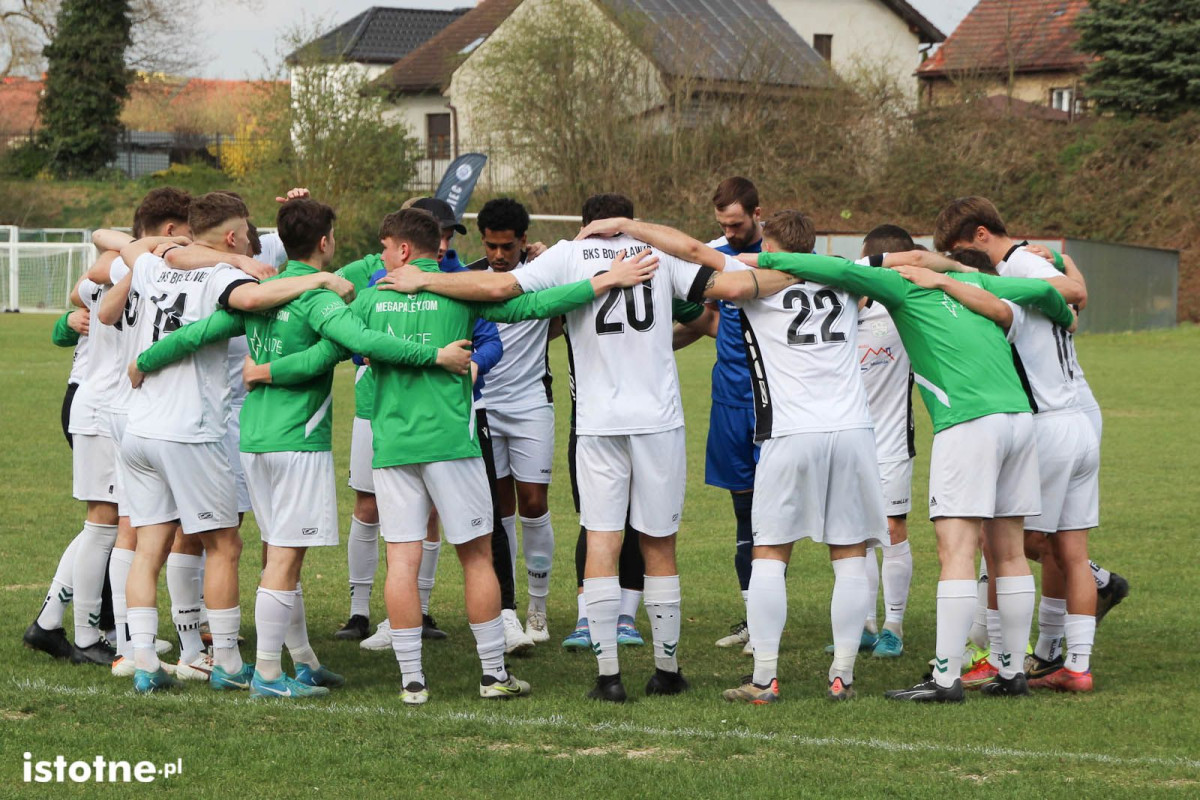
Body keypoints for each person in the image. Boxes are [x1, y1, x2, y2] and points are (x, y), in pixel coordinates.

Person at [739, 244, 1075, 702]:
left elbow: (833, 269)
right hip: (1019, 418)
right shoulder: (978, 284)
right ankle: (1013, 672)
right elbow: (1050, 293)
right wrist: (1067, 318)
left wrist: (763, 259)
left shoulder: (900, 286)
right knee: (1010, 551)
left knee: (955, 550)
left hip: (969, 421)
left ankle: (944, 678)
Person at [576, 210, 886, 702]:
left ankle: (764, 678)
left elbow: (694, 252)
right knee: (850, 554)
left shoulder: (755, 283)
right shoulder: (848, 280)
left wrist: (631, 226)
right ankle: (841, 676)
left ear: (774, 247)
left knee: (769, 553)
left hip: (788, 432)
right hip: (852, 430)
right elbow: (901, 266)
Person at [357, 207, 656, 703]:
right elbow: (534, 306)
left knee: (401, 560)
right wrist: (604, 281)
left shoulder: (371, 299)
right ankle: (493, 675)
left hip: (391, 447)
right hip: (453, 443)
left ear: (404, 250)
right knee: (477, 557)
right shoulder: (460, 295)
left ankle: (412, 681)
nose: (382, 256)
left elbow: (348, 342)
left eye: (385, 247)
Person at [115, 191, 353, 693]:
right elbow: (249, 300)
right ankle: (225, 662)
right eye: (247, 233)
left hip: (137, 426)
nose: (253, 241)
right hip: (189, 429)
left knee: (148, 544)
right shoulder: (226, 275)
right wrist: (317, 277)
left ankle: (143, 661)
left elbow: (110, 239)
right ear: (230, 236)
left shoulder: (153, 263)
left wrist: (188, 251)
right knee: (224, 544)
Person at [934, 197, 1128, 624]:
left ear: (981, 235)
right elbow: (1073, 310)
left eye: (960, 248)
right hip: (1065, 410)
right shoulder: (1015, 268)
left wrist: (1062, 263)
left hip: (1056, 411)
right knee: (1036, 538)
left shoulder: (1020, 265)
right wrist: (1065, 260)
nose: (959, 260)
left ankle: (1009, 643)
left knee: (1017, 538)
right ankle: (1050, 639)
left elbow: (1074, 295)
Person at [469, 198, 558, 642]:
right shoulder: (469, 279)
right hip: (484, 406)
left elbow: (561, 316)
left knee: (534, 503)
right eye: (491, 246)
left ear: (523, 241)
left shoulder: (544, 275)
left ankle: (538, 610)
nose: (498, 255)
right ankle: (507, 607)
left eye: (507, 246)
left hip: (530, 404)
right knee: (498, 508)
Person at [854, 225, 920, 659]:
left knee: (893, 532)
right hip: (848, 440)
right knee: (853, 536)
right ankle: (863, 622)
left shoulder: (907, 308)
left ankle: (893, 625)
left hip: (893, 440)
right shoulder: (839, 305)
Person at [704, 177, 764, 653]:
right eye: (724, 224)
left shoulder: (780, 254)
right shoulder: (714, 254)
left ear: (758, 213)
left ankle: (765, 622)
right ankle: (750, 618)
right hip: (727, 400)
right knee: (742, 513)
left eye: (738, 223)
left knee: (770, 517)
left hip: (770, 401)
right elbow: (701, 313)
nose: (731, 232)